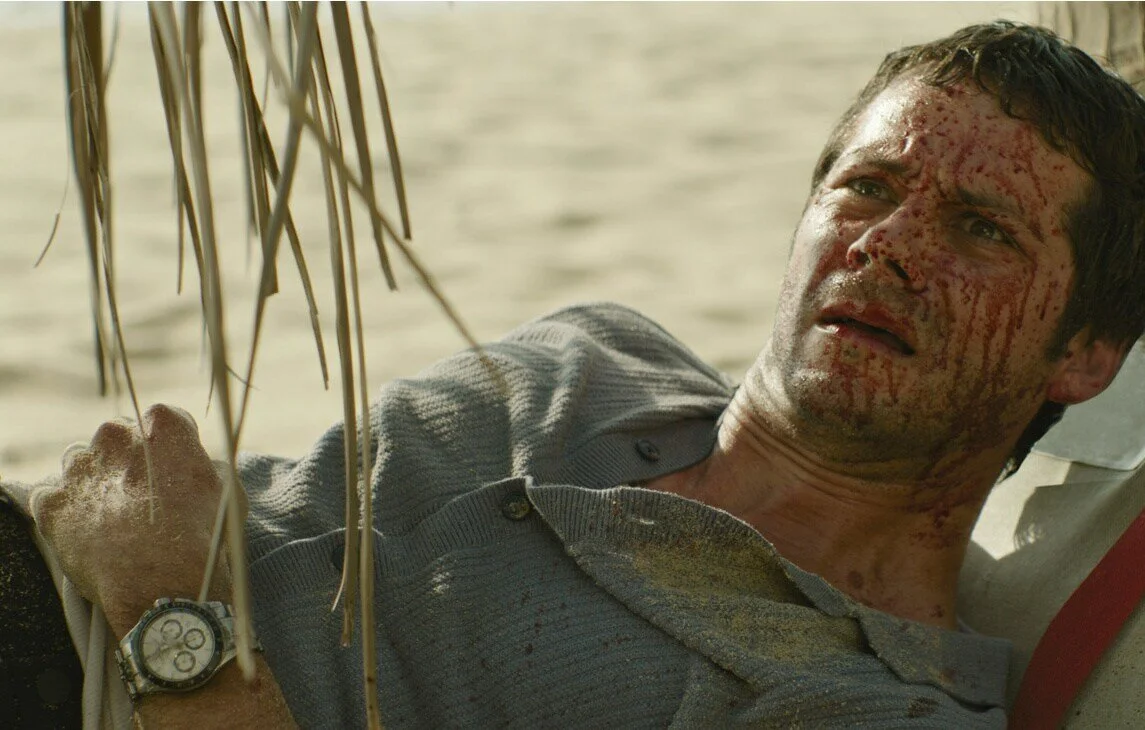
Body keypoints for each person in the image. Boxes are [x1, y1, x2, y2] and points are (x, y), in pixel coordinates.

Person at [6, 19, 1145, 729]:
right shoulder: (599, 353)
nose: (885, 246)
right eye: (866, 187)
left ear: (1086, 354)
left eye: (981, 228)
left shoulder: (857, 703)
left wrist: (172, 616)